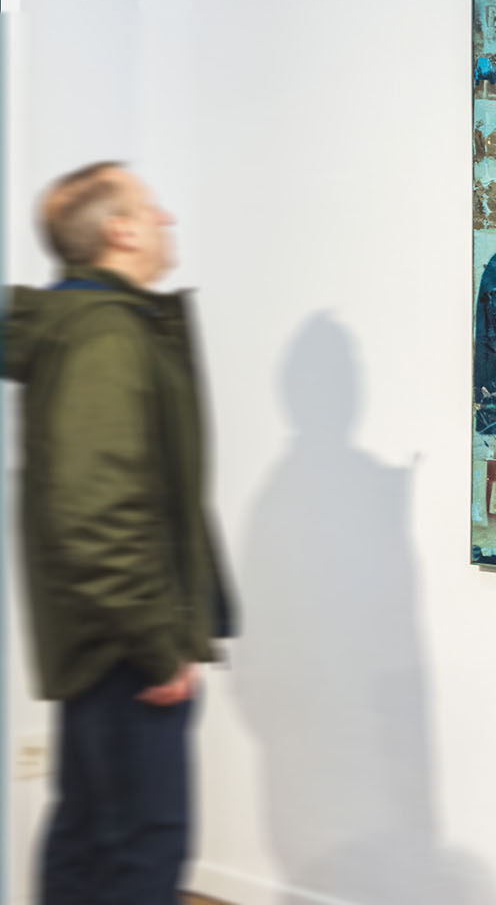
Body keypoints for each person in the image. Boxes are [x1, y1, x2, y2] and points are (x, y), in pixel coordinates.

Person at [3, 161, 235, 904]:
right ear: (119, 231)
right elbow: (97, 513)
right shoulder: (105, 335)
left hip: (101, 643)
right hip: (125, 650)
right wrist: (156, 646)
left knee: (90, 840)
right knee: (141, 849)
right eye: (150, 207)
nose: (167, 219)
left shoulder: (95, 326)